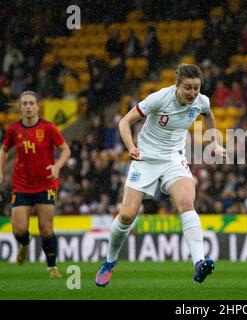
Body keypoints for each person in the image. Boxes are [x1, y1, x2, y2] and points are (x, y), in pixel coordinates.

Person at [95, 64, 227, 287]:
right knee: (127, 215)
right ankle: (109, 262)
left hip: (174, 159)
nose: (192, 93)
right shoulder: (158, 99)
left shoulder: (201, 101)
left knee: (186, 202)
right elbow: (124, 122)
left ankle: (199, 262)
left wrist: (214, 142)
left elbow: (208, 115)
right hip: (145, 159)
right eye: (188, 88)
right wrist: (131, 146)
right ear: (177, 85)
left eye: (196, 88)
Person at [0, 90, 71, 278]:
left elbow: (65, 150)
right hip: (22, 184)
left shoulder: (48, 128)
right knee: (19, 229)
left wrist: (57, 166)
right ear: (21, 107)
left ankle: (52, 267)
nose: (28, 107)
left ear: (38, 106)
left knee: (46, 228)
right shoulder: (13, 130)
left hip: (46, 184)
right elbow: (4, 149)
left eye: (31, 103)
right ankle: (24, 243)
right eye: (24, 104)